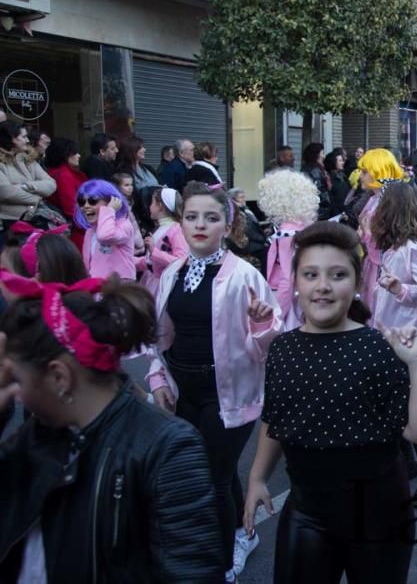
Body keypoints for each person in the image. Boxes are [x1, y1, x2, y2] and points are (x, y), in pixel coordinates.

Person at [242, 222, 417, 582]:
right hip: (306, 511)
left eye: (337, 275)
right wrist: (257, 478)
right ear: (297, 283)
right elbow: (275, 420)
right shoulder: (283, 349)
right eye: (310, 274)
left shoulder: (378, 348)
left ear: (357, 282)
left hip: (380, 516)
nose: (323, 286)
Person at [0, 274, 227, 582]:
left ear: (59, 378)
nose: (16, 395)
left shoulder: (167, 449)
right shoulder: (38, 435)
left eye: (18, 382)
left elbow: (191, 572)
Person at [146, 181, 281, 581]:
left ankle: (223, 563)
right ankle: (241, 531)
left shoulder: (244, 276)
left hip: (228, 396)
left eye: (211, 217)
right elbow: (160, 335)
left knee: (214, 479)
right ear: (181, 223)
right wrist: (158, 379)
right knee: (205, 473)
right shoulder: (172, 272)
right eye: (191, 217)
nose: (200, 225)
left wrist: (261, 324)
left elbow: (271, 347)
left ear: (228, 222)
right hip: (182, 390)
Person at [370, 182, 417, 500]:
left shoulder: (412, 250)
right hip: (391, 337)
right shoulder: (389, 249)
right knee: (392, 404)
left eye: (382, 206)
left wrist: (402, 289)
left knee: (407, 407)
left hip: (409, 340)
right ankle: (409, 464)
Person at [259, 170, 320, 330]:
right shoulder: (304, 226)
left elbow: (288, 277)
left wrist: (275, 312)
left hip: (288, 303)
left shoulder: (287, 233)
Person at [356, 148, 406, 312]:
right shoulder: (375, 199)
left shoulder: (388, 202)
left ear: (378, 172)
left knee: (378, 311)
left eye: (364, 172)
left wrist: (365, 232)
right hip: (373, 264)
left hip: (383, 267)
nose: (360, 176)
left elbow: (388, 239)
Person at [0, 121, 56, 237]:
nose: (27, 141)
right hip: (9, 225)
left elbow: (51, 184)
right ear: (11, 138)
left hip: (34, 219)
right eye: (24, 137)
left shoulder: (27, 159)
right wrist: (37, 198)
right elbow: (5, 192)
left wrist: (25, 186)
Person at [75, 179, 136, 281]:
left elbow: (105, 236)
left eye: (92, 200)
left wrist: (109, 210)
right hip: (96, 287)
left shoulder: (124, 225)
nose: (85, 206)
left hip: (118, 288)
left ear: (110, 201)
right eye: (81, 201)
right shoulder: (90, 232)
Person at [139, 187, 187, 298]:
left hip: (164, 287)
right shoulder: (160, 228)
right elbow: (150, 262)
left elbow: (181, 261)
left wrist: (154, 251)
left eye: (152, 202)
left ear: (160, 205)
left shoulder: (176, 230)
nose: (149, 206)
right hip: (153, 282)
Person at [45, 137, 87, 250]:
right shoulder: (64, 175)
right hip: (75, 231)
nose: (79, 155)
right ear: (65, 155)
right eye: (75, 153)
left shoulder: (57, 172)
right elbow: (71, 209)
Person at [301, 142, 332, 218]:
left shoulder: (311, 168)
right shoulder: (314, 171)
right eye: (322, 153)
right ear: (317, 155)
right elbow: (320, 190)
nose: (324, 156)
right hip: (319, 210)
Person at [324, 148, 352, 218]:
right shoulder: (330, 178)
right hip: (338, 214)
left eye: (342, 160)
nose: (342, 162)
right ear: (333, 162)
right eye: (340, 161)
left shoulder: (342, 175)